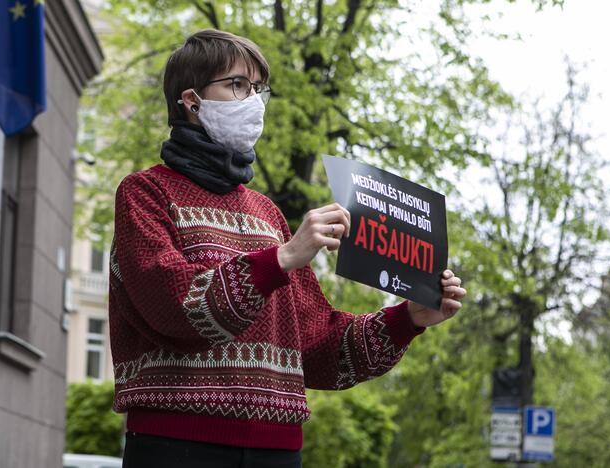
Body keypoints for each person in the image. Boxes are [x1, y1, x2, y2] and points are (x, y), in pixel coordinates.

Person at [109, 29, 466, 468]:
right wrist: (281, 259)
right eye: (238, 84)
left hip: (277, 451)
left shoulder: (267, 214)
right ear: (191, 99)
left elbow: (317, 347)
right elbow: (172, 305)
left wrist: (407, 319)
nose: (254, 101)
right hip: (178, 443)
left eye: (259, 89)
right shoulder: (145, 193)